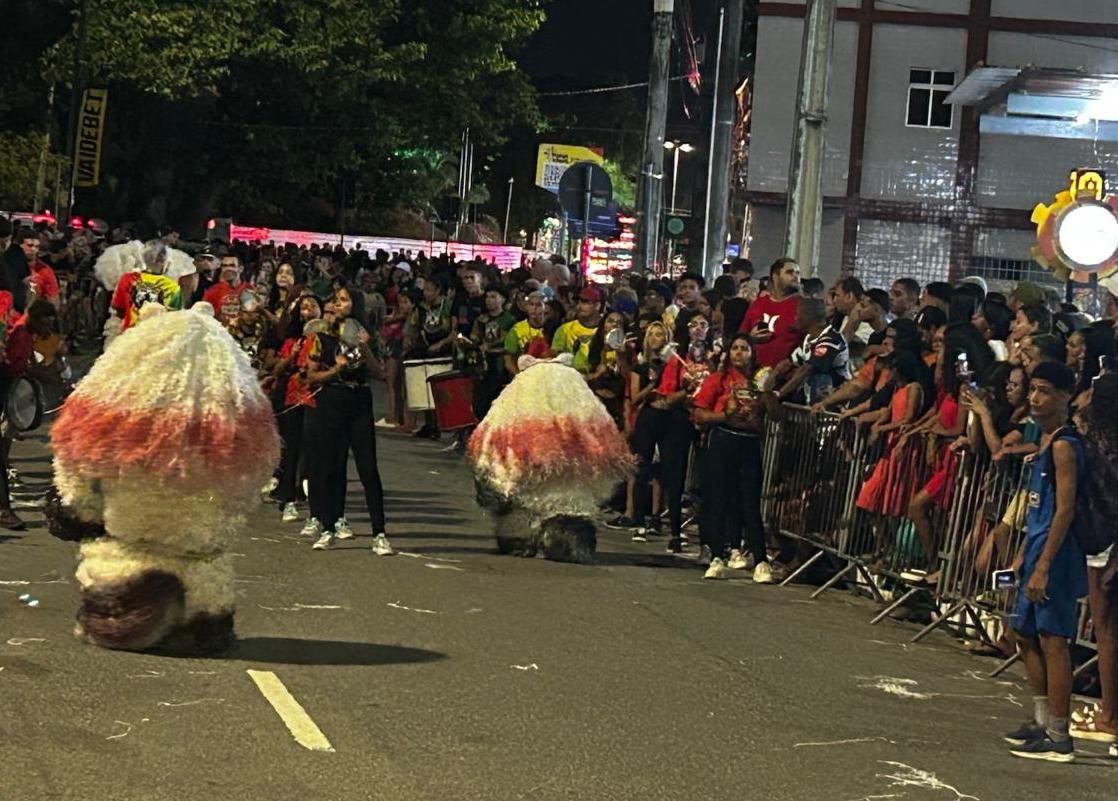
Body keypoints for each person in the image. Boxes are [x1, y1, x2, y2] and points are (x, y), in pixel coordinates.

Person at [1004, 362, 1087, 763]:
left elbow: (1066, 509)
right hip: (1037, 547)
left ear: (1064, 396)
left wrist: (1043, 564)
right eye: (1032, 389)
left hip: (1056, 554)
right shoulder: (1046, 441)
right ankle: (1041, 720)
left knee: (1054, 640)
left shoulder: (1064, 446)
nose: (1034, 398)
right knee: (1023, 632)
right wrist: (1024, 553)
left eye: (1044, 391)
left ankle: (1060, 733)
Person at [303, 288, 391, 554]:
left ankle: (379, 534)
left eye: (344, 300)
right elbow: (311, 376)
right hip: (332, 402)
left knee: (368, 469)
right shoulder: (323, 336)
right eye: (335, 300)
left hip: (359, 402)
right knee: (332, 467)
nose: (338, 304)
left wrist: (365, 348)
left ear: (355, 304)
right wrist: (336, 369)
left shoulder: (367, 335)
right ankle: (329, 527)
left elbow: (380, 373)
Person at [693, 333, 778, 582]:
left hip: (749, 444)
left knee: (750, 503)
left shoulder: (760, 382)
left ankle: (760, 560)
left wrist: (768, 397)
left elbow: (775, 414)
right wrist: (724, 416)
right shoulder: (718, 380)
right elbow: (699, 414)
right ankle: (717, 556)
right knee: (718, 499)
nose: (739, 353)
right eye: (735, 348)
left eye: (744, 349)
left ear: (753, 353)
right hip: (723, 440)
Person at [1070, 373, 1118, 755]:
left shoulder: (1099, 446)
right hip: (1105, 543)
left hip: (1107, 545)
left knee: (1107, 630)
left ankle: (1110, 716)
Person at [273, 294, 322, 524]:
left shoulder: (327, 338)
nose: (308, 310)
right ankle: (288, 497)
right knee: (293, 448)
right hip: (295, 397)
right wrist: (292, 356)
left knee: (313, 451)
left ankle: (312, 500)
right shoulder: (294, 341)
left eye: (313, 306)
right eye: (304, 307)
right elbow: (277, 368)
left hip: (318, 399)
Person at [773, 297, 849, 404]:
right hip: (814, 403)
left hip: (835, 404)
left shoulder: (831, 339)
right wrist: (768, 385)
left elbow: (807, 369)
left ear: (808, 317)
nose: (795, 318)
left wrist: (779, 394)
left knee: (819, 375)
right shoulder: (809, 339)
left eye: (798, 314)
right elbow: (787, 364)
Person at [739, 257, 802, 368]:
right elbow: (741, 336)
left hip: (785, 375)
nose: (795, 276)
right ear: (775, 276)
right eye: (790, 272)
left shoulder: (802, 307)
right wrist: (750, 338)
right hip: (752, 370)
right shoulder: (758, 304)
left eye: (798, 273)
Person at [109, 239, 183, 331]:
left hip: (129, 337)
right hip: (157, 340)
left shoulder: (127, 279)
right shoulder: (172, 287)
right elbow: (176, 320)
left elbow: (118, 310)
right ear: (162, 258)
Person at [551, 285, 602, 374]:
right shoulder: (564, 329)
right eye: (578, 301)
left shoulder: (605, 330)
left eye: (585, 302)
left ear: (597, 306)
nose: (579, 306)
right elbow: (555, 357)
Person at [504, 290, 548, 376]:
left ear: (546, 308)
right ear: (527, 307)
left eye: (538, 305)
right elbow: (508, 359)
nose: (534, 308)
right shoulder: (517, 329)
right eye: (531, 304)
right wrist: (519, 375)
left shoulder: (552, 327)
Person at [202, 254, 252, 326]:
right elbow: (203, 317)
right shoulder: (212, 291)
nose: (227, 269)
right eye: (225, 266)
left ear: (240, 269)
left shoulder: (249, 289)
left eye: (232, 265)